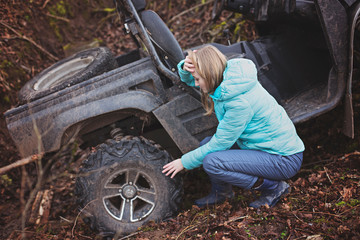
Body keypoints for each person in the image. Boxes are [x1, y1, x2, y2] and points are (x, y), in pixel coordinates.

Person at [162, 45, 304, 208]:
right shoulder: (229, 77)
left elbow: (220, 144)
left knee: (212, 162)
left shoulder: (237, 103)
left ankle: (274, 188)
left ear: (209, 74)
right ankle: (221, 193)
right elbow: (191, 79)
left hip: (283, 159)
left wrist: (184, 162)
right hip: (261, 147)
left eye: (198, 79)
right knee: (205, 145)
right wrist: (185, 68)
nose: (196, 83)